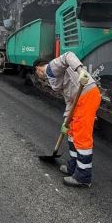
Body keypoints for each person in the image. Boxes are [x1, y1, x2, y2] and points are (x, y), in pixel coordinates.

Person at [35, 52, 101, 187]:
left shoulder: (51, 67)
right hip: (78, 100)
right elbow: (69, 98)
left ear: (38, 69)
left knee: (82, 137)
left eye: (37, 74)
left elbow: (68, 56)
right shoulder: (53, 76)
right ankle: (73, 167)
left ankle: (83, 177)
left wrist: (81, 70)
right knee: (71, 131)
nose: (39, 77)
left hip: (86, 95)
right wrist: (67, 119)